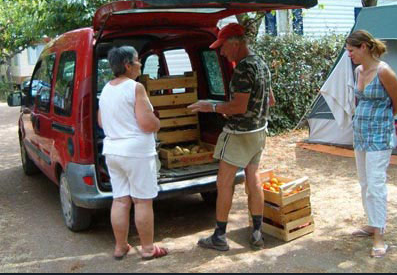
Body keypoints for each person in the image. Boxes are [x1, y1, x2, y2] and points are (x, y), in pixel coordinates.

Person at [188, 23, 275, 251]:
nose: (222, 52)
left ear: (236, 43)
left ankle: (219, 236)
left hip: (239, 134)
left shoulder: (243, 69)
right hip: (258, 131)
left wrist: (212, 107)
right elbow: (270, 101)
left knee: (223, 183)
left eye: (223, 47)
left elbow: (238, 106)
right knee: (253, 179)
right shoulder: (261, 64)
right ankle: (257, 233)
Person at [98, 46, 169, 260]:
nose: (140, 64)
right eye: (138, 60)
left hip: (113, 152)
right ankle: (148, 249)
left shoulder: (106, 89)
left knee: (120, 200)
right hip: (136, 153)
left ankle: (121, 247)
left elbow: (101, 121)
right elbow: (147, 124)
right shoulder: (135, 87)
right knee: (142, 201)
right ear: (128, 65)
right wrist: (157, 122)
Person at [345, 30, 397, 258]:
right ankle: (371, 223)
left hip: (379, 137)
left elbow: (396, 103)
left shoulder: (384, 71)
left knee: (376, 185)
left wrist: (380, 120)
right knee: (365, 182)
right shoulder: (358, 70)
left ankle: (379, 236)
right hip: (361, 135)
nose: (349, 55)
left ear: (364, 48)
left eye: (351, 51)